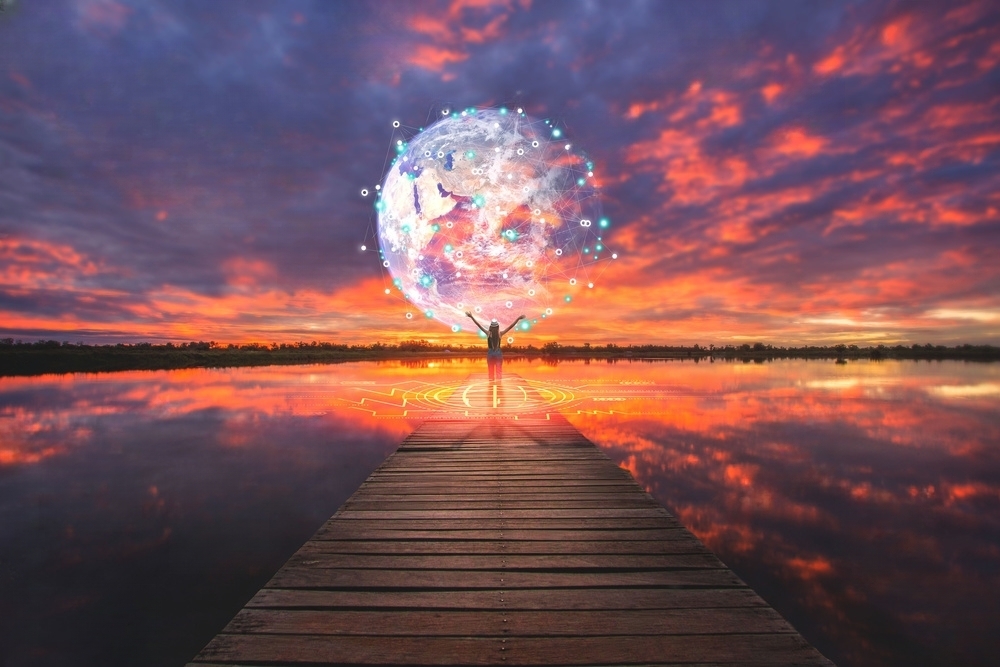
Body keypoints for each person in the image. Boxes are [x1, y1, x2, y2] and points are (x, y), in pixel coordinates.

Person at [466, 312, 524, 382]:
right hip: (498, 353)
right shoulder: (500, 333)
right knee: (498, 372)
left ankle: (491, 386)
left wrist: (471, 317)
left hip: (490, 353)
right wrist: (518, 318)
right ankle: (498, 385)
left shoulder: (488, 333)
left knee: (491, 373)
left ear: (490, 327)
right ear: (497, 327)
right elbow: (510, 326)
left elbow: (478, 325)